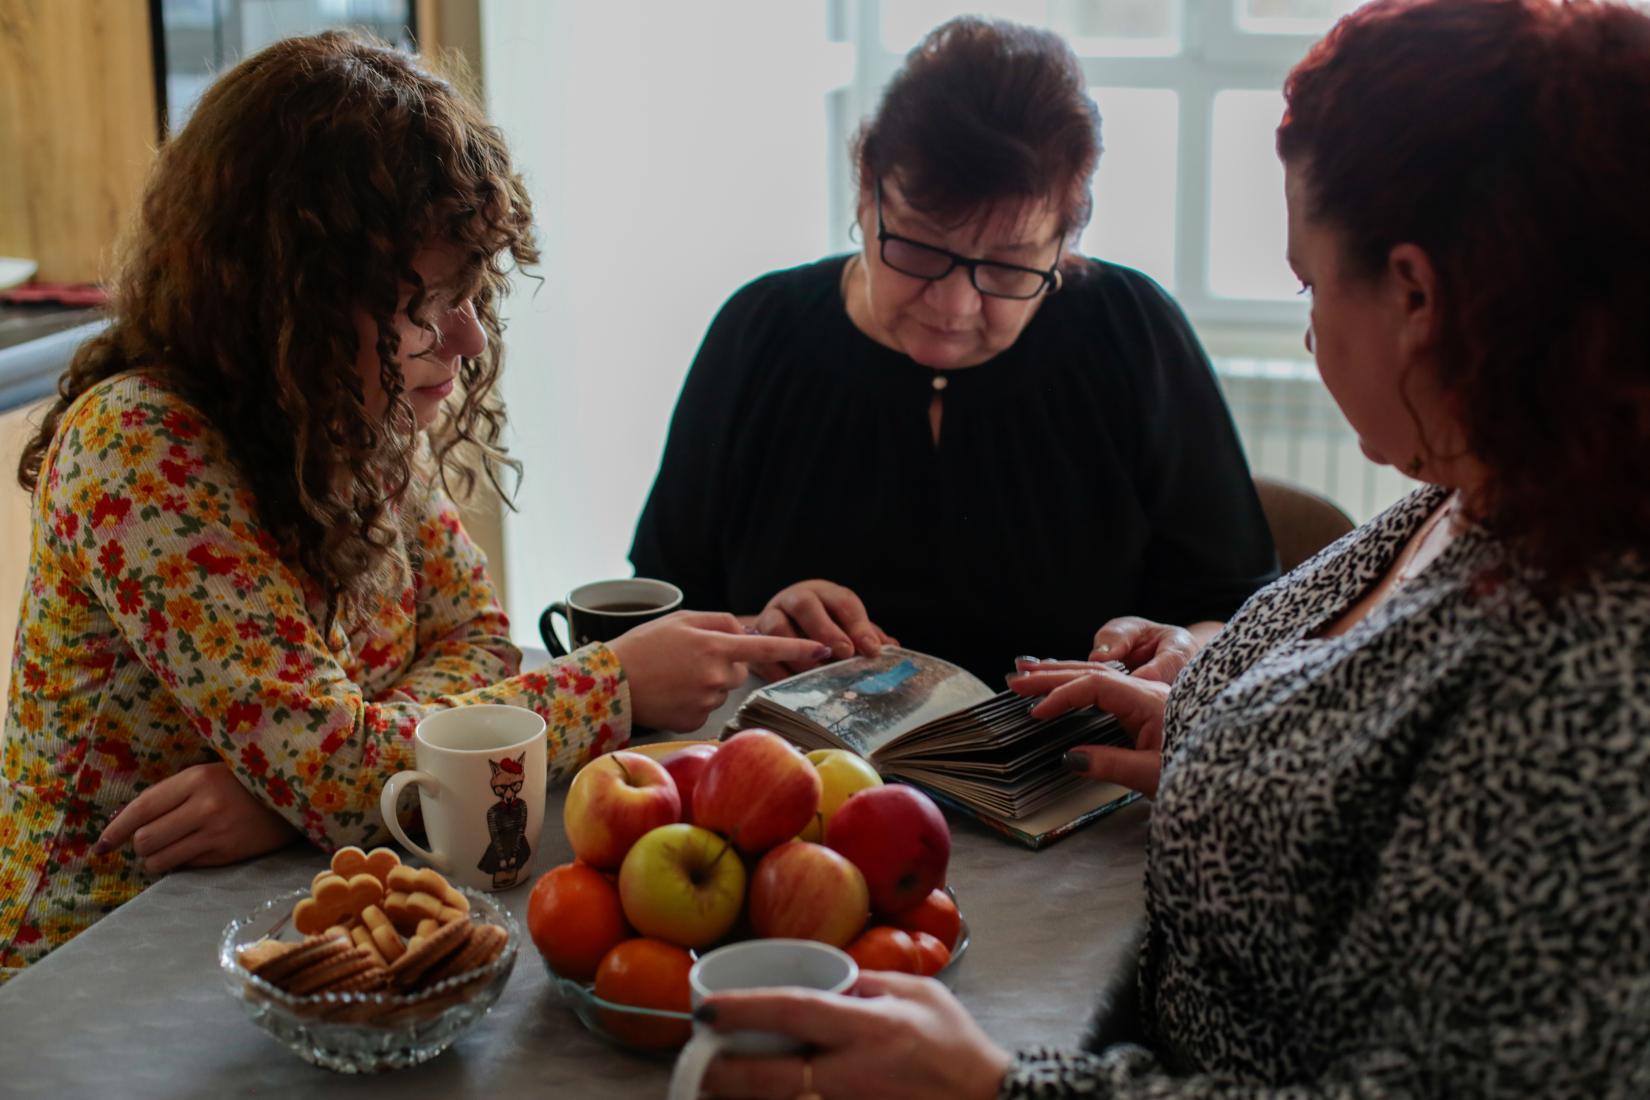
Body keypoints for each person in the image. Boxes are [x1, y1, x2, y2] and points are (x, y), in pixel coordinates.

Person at [691, 1, 1650, 1095]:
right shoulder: (1473, 499)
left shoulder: (1589, 688)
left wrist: (996, 1089)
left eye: (1307, 281)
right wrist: (1200, 708)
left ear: (1418, 297)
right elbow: (1338, 713)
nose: (1303, 328)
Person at [0, 32, 823, 981]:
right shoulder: (141, 446)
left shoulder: (350, 410)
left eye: (474, 295)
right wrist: (615, 684)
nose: (468, 338)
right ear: (290, 301)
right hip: (102, 959)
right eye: (430, 303)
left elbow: (471, 638)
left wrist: (300, 787)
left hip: (300, 909)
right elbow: (334, 760)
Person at [630, 17, 1278, 684]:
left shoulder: (1131, 332)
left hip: (1073, 778)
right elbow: (660, 608)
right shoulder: (759, 333)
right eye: (917, 248)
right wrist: (754, 637)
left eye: (1007, 267)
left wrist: (1186, 650)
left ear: (1065, 240)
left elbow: (1236, 609)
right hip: (801, 780)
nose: (954, 308)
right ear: (866, 189)